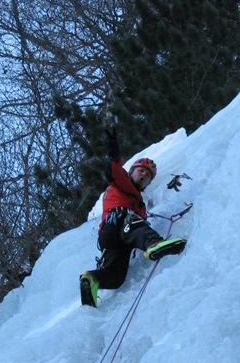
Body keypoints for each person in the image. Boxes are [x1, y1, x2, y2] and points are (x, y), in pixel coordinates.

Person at [80, 130, 187, 307]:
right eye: (141, 171)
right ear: (131, 172)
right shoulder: (123, 181)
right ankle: (153, 244)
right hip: (119, 220)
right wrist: (113, 147)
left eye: (147, 176)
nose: (144, 175)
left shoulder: (138, 202)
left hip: (113, 239)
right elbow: (112, 167)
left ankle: (91, 279)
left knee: (116, 277)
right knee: (135, 223)